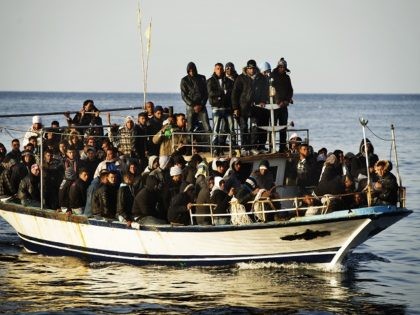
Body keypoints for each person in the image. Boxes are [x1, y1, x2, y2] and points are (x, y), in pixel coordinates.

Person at [231, 59, 268, 155]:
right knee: (243, 127)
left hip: (255, 108)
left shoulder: (260, 78)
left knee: (254, 127)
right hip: (243, 108)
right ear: (247, 68)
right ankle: (244, 147)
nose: (251, 70)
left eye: (253, 68)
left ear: (256, 68)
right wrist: (235, 108)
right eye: (249, 68)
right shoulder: (240, 78)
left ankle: (253, 147)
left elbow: (265, 91)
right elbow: (235, 94)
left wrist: (263, 101)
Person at [207, 63, 234, 153]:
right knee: (216, 128)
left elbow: (231, 93)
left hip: (227, 108)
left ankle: (232, 144)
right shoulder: (210, 81)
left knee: (231, 127)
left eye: (221, 69)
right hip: (216, 108)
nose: (219, 70)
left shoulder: (228, 80)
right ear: (214, 70)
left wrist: (222, 96)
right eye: (217, 68)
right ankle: (215, 147)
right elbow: (210, 93)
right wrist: (221, 93)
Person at [270, 57, 294, 152]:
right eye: (280, 66)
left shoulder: (287, 78)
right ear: (278, 67)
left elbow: (290, 90)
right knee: (273, 127)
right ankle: (272, 147)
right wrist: (278, 101)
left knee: (283, 127)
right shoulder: (272, 76)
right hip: (274, 106)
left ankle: (282, 147)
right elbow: (271, 89)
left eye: (283, 67)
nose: (282, 68)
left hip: (284, 106)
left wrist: (286, 101)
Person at [180, 62, 211, 134]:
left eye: (193, 70)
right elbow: (184, 95)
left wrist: (201, 105)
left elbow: (206, 93)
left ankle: (211, 143)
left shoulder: (202, 78)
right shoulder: (184, 80)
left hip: (201, 106)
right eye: (190, 71)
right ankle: (189, 143)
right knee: (190, 127)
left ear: (195, 70)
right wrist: (193, 105)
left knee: (207, 126)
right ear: (188, 71)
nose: (191, 72)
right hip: (190, 107)